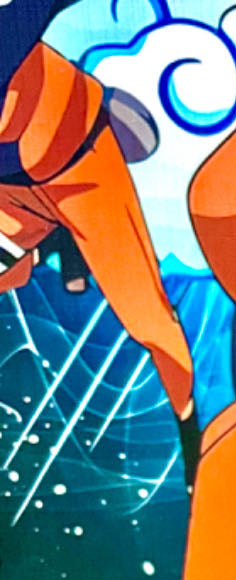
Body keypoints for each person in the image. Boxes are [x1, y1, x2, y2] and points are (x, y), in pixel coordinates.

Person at [1, 23, 201, 486]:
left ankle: (196, 446)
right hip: (14, 187)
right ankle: (51, 247)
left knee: (148, 318)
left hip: (78, 163)